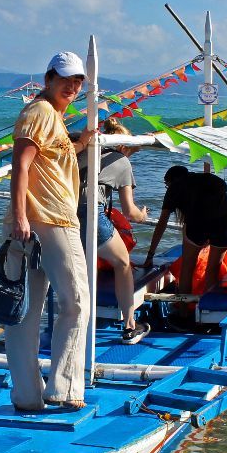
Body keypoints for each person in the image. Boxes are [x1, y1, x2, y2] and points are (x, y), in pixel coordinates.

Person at [6, 51, 96, 411]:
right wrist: (19, 216)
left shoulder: (50, 116)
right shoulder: (40, 112)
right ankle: (65, 386)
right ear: (48, 79)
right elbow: (20, 165)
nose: (72, 87)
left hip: (36, 221)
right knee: (77, 302)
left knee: (26, 312)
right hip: (51, 220)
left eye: (77, 81)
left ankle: (28, 395)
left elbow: (49, 158)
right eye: (66, 80)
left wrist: (81, 144)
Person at [76, 118, 149, 344]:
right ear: (123, 146)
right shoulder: (121, 161)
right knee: (123, 263)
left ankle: (80, 322)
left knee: (84, 268)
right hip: (91, 213)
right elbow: (129, 211)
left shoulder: (84, 152)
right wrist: (143, 215)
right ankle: (129, 325)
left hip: (66, 213)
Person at [142, 164, 227, 318]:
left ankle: (183, 312)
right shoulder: (210, 179)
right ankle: (207, 314)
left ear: (171, 181)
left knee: (188, 267)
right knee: (213, 269)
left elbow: (162, 223)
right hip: (225, 222)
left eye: (166, 184)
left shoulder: (175, 188)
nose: (167, 187)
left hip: (197, 223)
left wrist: (150, 255)